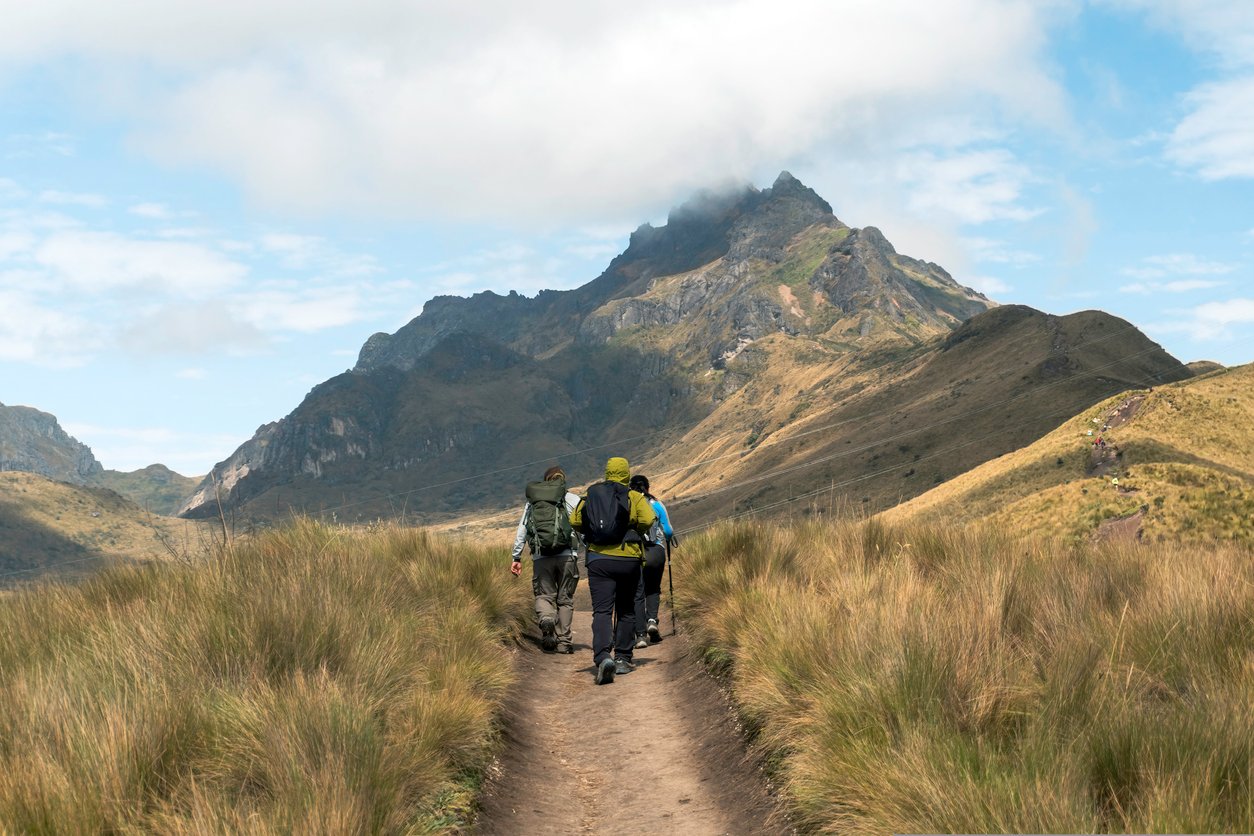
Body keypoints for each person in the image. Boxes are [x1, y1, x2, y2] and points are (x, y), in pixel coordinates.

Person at [570, 457, 656, 685]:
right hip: (628, 559)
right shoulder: (634, 496)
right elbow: (648, 519)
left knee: (601, 611)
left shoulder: (591, 495)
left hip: (598, 560)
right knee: (626, 609)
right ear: (626, 474)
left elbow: (575, 520)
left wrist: (595, 530)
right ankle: (623, 658)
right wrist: (631, 526)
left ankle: (602, 657)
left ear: (607, 472)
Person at [511, 465, 582, 654]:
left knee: (544, 595)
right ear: (562, 480)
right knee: (565, 600)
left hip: (541, 557)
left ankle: (547, 620)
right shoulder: (572, 499)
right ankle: (564, 642)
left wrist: (516, 556)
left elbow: (522, 530)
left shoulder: (533, 502)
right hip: (567, 556)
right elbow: (584, 526)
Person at [629, 474, 674, 648]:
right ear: (647, 487)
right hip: (656, 551)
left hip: (636, 552)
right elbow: (668, 531)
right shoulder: (657, 504)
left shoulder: (629, 504)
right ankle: (652, 621)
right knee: (653, 588)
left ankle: (640, 635)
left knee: (637, 593)